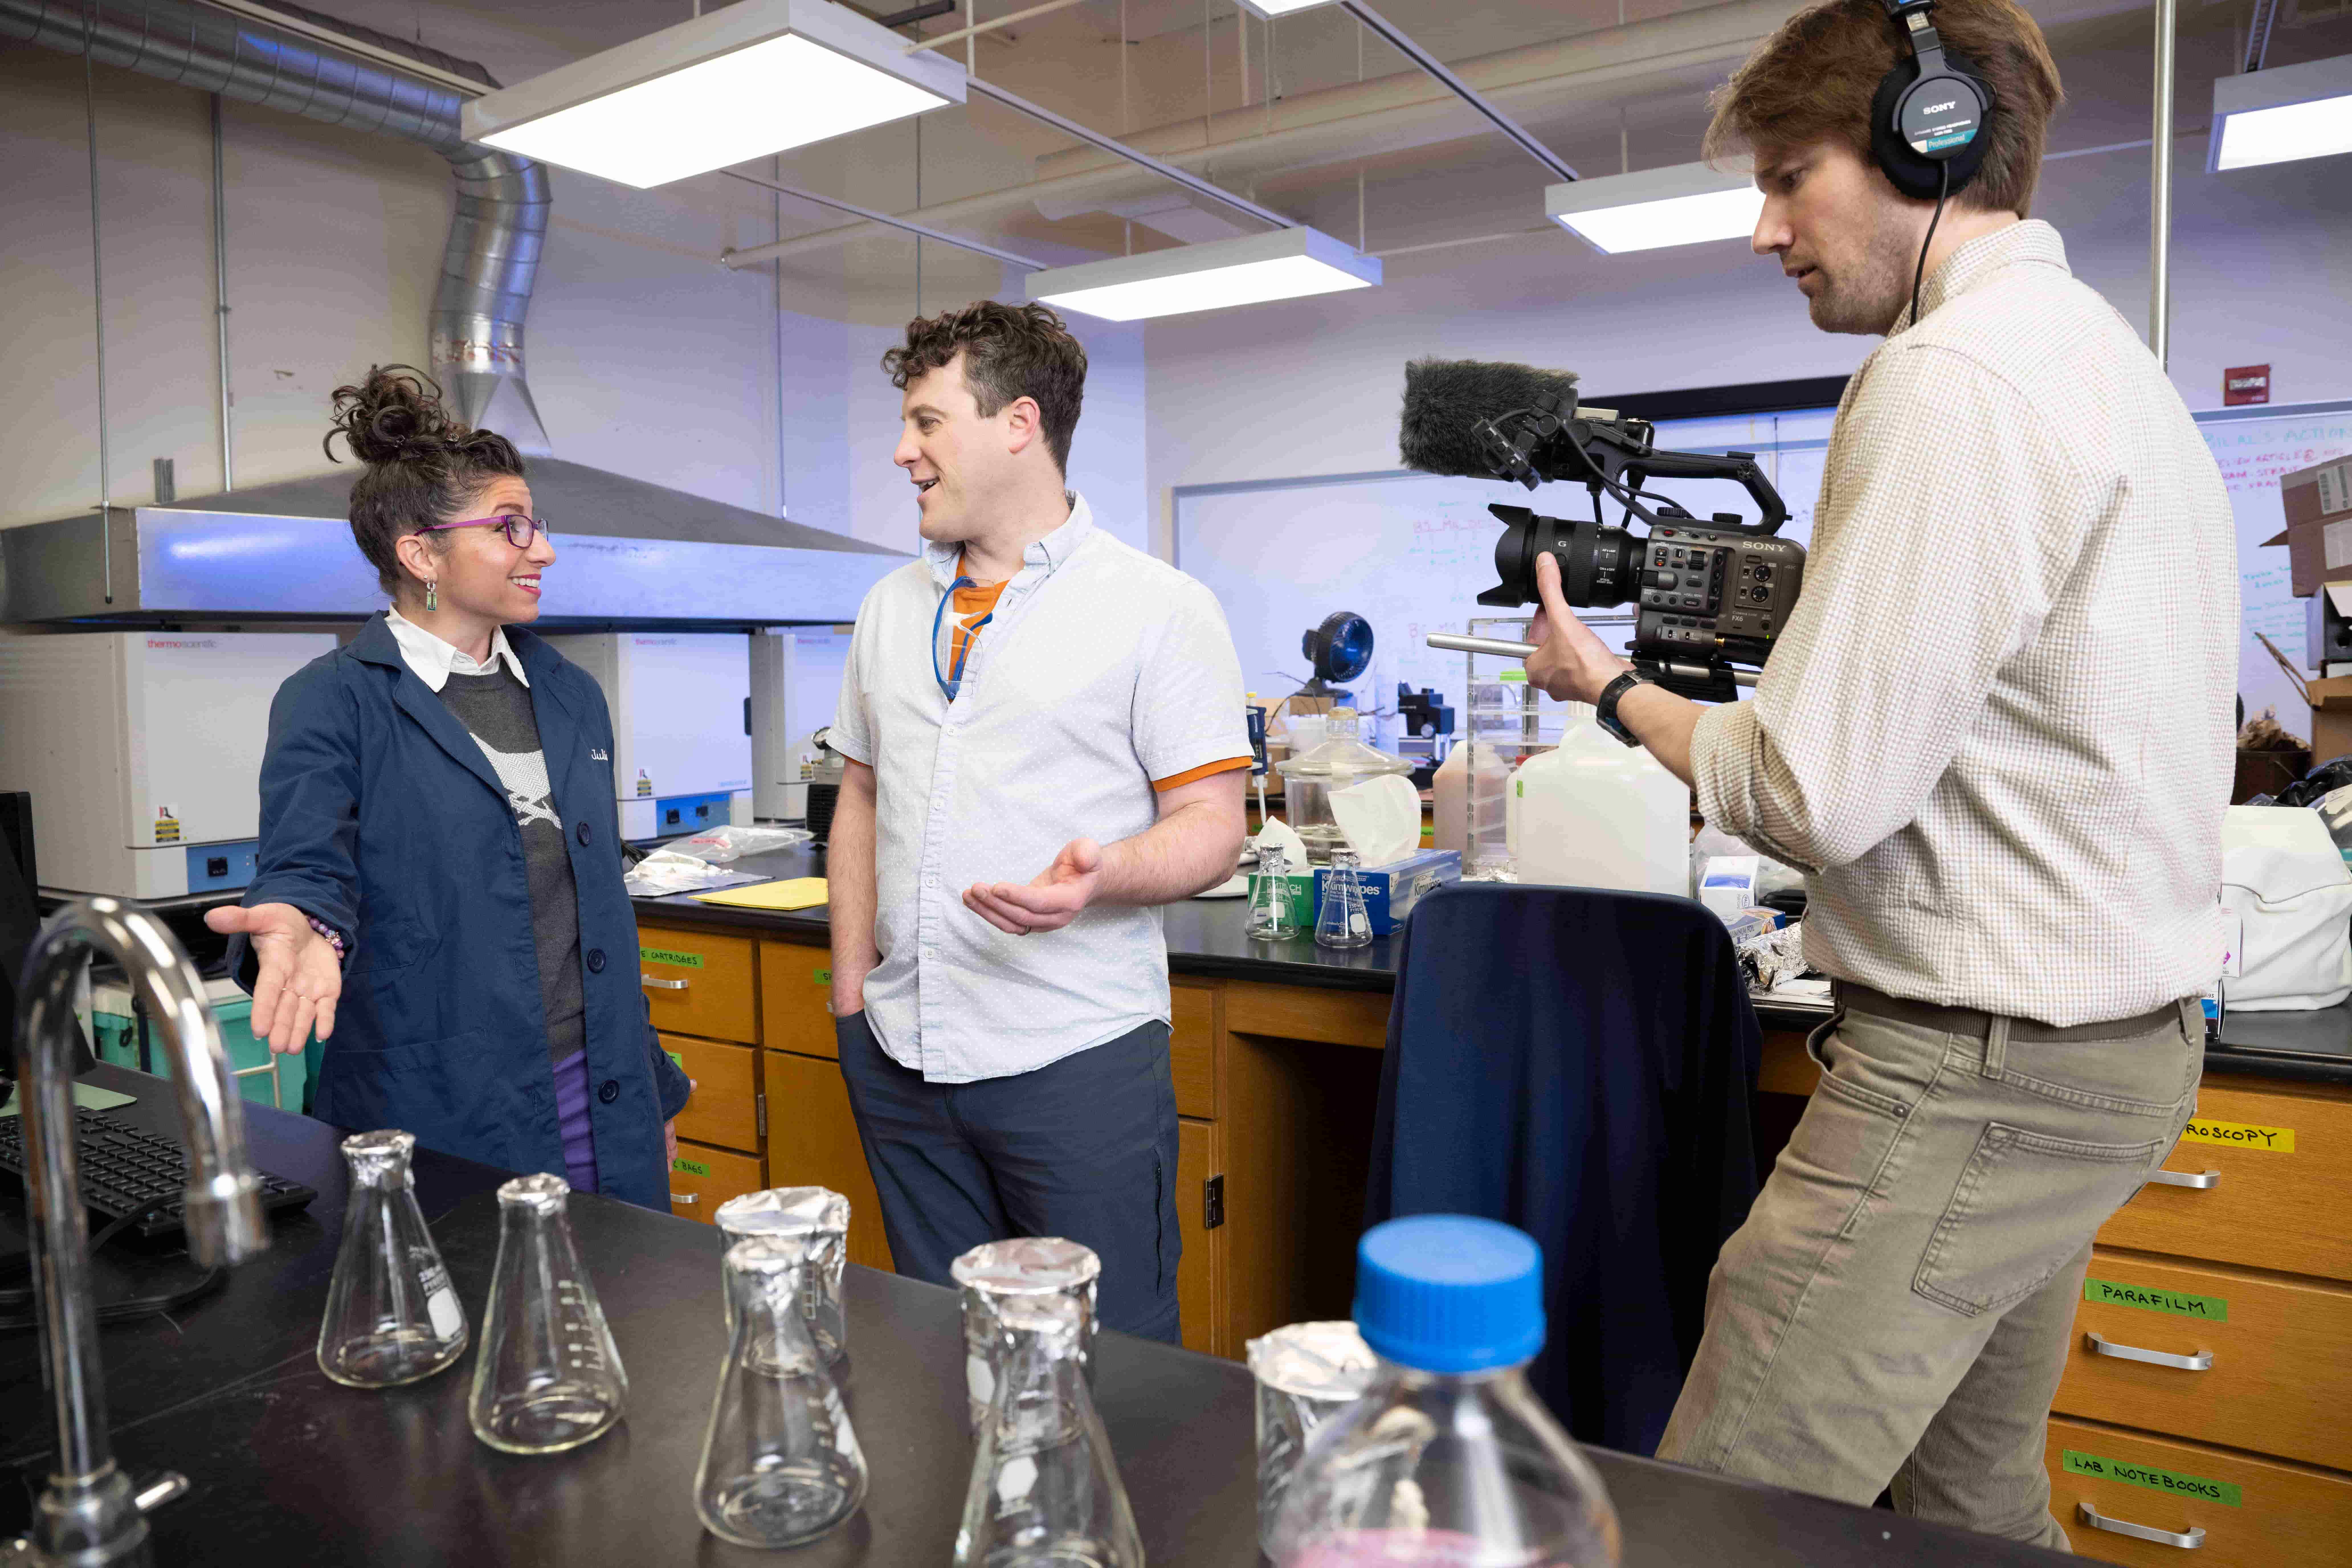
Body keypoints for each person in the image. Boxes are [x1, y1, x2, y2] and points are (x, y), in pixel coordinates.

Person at [1519, 0, 2235, 1546]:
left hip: (1979, 1075)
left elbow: (1812, 794)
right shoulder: (2105, 362)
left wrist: (1614, 691)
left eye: (1791, 175)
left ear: (1931, 142)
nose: (1766, 227)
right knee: (1971, 1507)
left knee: (1721, 1518)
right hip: (2108, 1054)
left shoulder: (1952, 379)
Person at [826, 301, 1251, 1343]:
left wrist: (1100, 876)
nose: (903, 451)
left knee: (1116, 1364)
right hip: (901, 1053)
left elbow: (1212, 822)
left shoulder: (1159, 606)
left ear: (1018, 424)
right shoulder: (890, 607)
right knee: (945, 1348)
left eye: (927, 423)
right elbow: (862, 799)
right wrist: (849, 1001)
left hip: (1073, 1058)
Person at [206, 366, 692, 1210]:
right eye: (509, 528)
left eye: (536, 526)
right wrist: (297, 921)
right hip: (441, 1112)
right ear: (421, 552)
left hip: (604, 1092)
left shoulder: (570, 694)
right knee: (467, 1331)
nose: (541, 549)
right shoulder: (336, 699)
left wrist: (655, 1088)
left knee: (620, 1326)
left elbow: (594, 912)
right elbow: (306, 861)